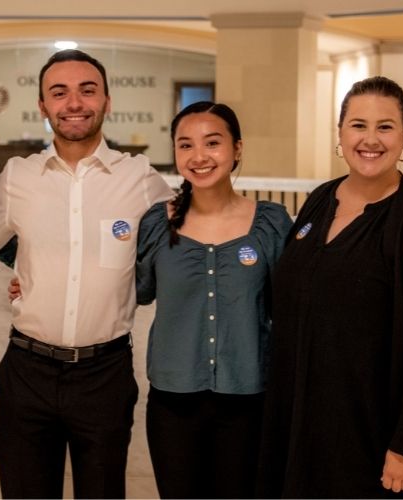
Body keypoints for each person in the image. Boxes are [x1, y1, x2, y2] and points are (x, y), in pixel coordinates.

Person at [257, 76, 403, 498]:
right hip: (308, 425)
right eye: (358, 125)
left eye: (385, 126)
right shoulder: (321, 199)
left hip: (378, 434)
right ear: (340, 133)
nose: (370, 139)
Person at [0, 49, 173, 499]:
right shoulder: (18, 176)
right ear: (43, 106)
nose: (74, 103)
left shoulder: (140, 177)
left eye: (88, 91)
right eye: (59, 92)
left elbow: (189, 231)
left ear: (107, 100)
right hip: (27, 372)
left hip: (104, 376)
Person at [136, 101, 291, 498]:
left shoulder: (271, 223)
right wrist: (30, 283)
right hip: (173, 403)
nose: (199, 156)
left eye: (212, 143)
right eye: (185, 145)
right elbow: (132, 289)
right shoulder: (157, 222)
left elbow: (291, 308)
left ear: (237, 148)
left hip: (249, 400)